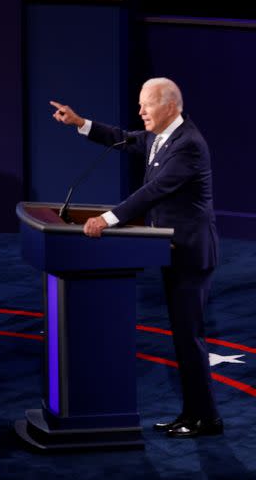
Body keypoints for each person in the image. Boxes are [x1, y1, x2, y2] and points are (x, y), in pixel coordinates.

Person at [50, 77, 222, 438]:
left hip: (191, 253)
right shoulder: (161, 136)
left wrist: (107, 219)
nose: (140, 111)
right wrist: (80, 123)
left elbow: (154, 191)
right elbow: (122, 137)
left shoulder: (187, 145)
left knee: (189, 338)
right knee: (183, 337)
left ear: (170, 106)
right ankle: (193, 413)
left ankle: (205, 418)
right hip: (173, 250)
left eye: (147, 104)